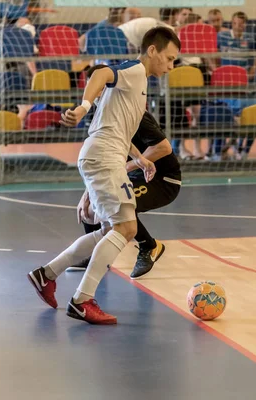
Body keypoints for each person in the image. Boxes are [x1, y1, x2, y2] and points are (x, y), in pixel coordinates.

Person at [27, 27, 181, 325]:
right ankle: (82, 300)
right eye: (169, 58)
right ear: (152, 51)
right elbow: (100, 74)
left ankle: (46, 275)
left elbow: (116, 126)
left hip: (105, 153)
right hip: (104, 156)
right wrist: (83, 107)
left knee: (110, 229)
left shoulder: (138, 86)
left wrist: (138, 158)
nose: (171, 66)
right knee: (126, 228)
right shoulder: (134, 70)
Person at [68, 64, 182, 277]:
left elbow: (163, 147)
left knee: (121, 203)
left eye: (98, 85)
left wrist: (133, 164)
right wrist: (88, 193)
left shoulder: (135, 111)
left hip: (162, 180)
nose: (94, 90)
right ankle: (96, 255)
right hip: (132, 173)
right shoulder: (102, 117)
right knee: (91, 208)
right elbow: (103, 161)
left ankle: (149, 246)